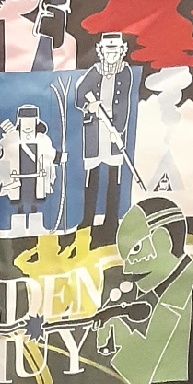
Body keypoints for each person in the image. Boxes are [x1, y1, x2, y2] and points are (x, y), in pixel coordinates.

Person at [95, 197, 193, 384]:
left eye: (136, 250)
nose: (127, 269)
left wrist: (121, 336)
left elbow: (147, 374)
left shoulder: (179, 298)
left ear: (163, 239)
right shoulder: (175, 289)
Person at [74, 32, 134, 242]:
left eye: (115, 50)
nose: (112, 54)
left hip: (114, 132)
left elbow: (125, 103)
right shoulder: (95, 71)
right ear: (101, 51)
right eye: (108, 50)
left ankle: (112, 222)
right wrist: (90, 106)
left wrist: (118, 130)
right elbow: (79, 95)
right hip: (94, 132)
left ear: (121, 51)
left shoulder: (125, 73)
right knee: (93, 177)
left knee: (113, 178)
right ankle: (87, 221)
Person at [0, 104, 58, 234]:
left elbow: (50, 153)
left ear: (36, 122)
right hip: (18, 176)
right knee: (19, 202)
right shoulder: (10, 138)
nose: (27, 126)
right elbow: (3, 153)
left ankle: (36, 225)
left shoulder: (43, 139)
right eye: (24, 122)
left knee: (34, 201)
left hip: (36, 177)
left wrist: (59, 157)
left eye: (31, 122)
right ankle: (18, 227)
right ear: (19, 122)